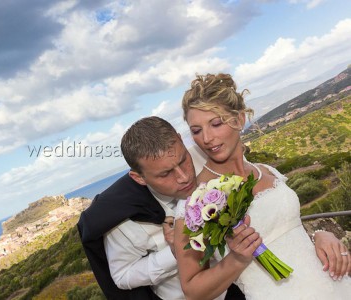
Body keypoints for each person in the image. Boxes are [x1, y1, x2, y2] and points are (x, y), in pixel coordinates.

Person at [77, 116, 347, 299]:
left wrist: (316, 235)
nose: (183, 177)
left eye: (183, 161)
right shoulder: (123, 222)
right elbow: (122, 277)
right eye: (164, 175)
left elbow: (271, 215)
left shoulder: (209, 164)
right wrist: (177, 253)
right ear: (139, 178)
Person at [175, 73, 351, 299]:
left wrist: (321, 235)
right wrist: (237, 258)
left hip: (337, 285)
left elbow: (288, 229)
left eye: (216, 123)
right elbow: (193, 290)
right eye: (196, 130)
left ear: (239, 119)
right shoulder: (196, 204)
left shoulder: (266, 171)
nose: (206, 138)